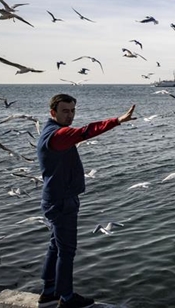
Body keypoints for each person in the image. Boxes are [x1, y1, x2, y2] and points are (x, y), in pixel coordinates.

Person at [37, 94, 136, 308]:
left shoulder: (48, 130)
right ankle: (66, 298)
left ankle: (48, 291)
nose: (70, 115)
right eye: (65, 111)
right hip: (62, 202)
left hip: (54, 198)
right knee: (67, 251)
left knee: (56, 246)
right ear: (53, 112)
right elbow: (86, 131)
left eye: (73, 111)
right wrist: (117, 120)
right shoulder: (58, 135)